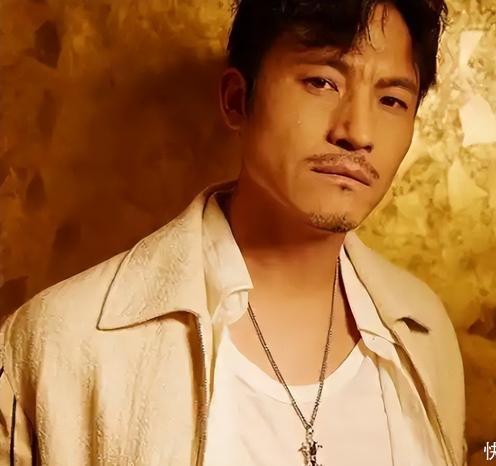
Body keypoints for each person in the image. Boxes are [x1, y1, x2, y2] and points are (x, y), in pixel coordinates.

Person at [0, 0, 467, 465]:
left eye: (392, 100)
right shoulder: (56, 342)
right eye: (322, 82)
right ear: (237, 100)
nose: (358, 132)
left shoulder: (423, 331)